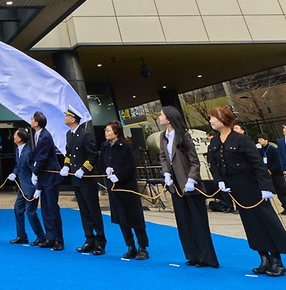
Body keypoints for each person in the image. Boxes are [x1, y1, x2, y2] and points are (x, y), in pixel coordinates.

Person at [209, 106, 286, 277]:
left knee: (266, 221)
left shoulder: (241, 140)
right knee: (250, 223)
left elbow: (257, 164)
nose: (210, 121)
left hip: (252, 185)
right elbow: (214, 165)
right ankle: (264, 258)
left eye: (213, 117)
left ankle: (277, 260)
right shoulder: (215, 141)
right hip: (234, 187)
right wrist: (219, 181)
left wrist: (266, 187)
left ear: (223, 119)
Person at [158, 107, 218, 268]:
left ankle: (206, 257)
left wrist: (192, 179)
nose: (159, 117)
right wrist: (166, 173)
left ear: (169, 118)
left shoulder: (183, 136)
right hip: (175, 185)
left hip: (190, 185)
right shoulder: (163, 136)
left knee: (198, 222)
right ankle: (192, 255)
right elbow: (163, 156)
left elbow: (194, 161)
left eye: (161, 115)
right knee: (183, 222)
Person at [97, 121, 148, 260]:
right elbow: (101, 162)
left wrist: (118, 176)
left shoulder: (125, 147)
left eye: (109, 130)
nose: (106, 132)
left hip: (127, 187)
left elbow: (131, 166)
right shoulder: (105, 146)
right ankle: (130, 246)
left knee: (135, 218)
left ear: (116, 132)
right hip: (113, 188)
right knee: (121, 218)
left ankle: (142, 247)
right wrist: (106, 169)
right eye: (105, 130)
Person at [61, 108, 105, 255]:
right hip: (76, 180)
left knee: (93, 211)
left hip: (86, 180)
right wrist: (66, 166)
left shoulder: (85, 135)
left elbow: (93, 155)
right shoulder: (69, 135)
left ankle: (100, 242)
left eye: (67, 115)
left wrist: (83, 170)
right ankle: (89, 239)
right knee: (84, 211)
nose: (65, 117)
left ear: (73, 119)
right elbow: (68, 154)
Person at [29, 111, 63, 250]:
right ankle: (50, 237)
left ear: (37, 123)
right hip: (43, 178)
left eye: (32, 119)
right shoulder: (37, 135)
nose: (30, 120)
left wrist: (35, 172)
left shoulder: (45, 136)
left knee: (52, 209)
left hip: (51, 178)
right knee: (45, 209)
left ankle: (59, 240)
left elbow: (42, 158)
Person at [7, 127, 44, 246]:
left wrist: (38, 187)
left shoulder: (28, 153)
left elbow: (35, 170)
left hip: (31, 187)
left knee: (30, 212)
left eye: (15, 135)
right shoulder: (19, 150)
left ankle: (41, 237)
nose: (13, 136)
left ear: (20, 138)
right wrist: (14, 173)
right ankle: (21, 235)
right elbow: (18, 165)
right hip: (22, 187)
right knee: (18, 209)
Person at [257, 135, 286, 216]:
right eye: (259, 139)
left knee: (284, 190)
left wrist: (271, 170)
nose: (259, 141)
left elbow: (277, 161)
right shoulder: (260, 151)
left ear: (266, 140)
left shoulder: (273, 150)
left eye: (261, 139)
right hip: (268, 174)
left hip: (277, 173)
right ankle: (285, 207)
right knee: (278, 191)